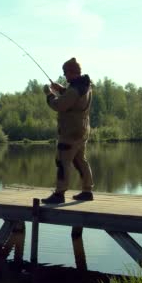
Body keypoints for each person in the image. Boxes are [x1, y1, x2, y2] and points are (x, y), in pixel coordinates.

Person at [41, 57, 94, 204]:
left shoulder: (75, 89)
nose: (64, 75)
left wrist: (49, 94)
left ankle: (59, 194)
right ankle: (87, 191)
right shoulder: (85, 86)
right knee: (80, 160)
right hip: (82, 130)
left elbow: (60, 105)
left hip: (70, 133)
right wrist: (61, 89)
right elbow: (74, 99)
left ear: (72, 72)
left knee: (62, 162)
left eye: (65, 72)